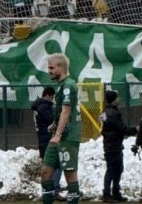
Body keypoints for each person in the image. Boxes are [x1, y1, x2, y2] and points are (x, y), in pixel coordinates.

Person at [41, 54, 82, 204]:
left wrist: (58, 134)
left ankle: (73, 198)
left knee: (70, 174)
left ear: (61, 67)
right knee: (45, 172)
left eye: (51, 68)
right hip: (59, 135)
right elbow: (61, 111)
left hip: (68, 136)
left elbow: (66, 111)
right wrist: (54, 123)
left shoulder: (68, 85)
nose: (49, 71)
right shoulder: (61, 85)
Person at [100, 90, 137, 202]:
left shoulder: (104, 112)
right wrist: (135, 130)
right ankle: (108, 194)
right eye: (117, 97)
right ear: (114, 100)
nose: (119, 99)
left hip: (110, 144)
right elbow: (122, 128)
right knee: (113, 169)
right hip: (113, 145)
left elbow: (104, 127)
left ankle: (114, 192)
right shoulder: (113, 114)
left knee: (116, 169)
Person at [32, 86, 64, 200]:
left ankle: (48, 191)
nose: (53, 100)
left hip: (42, 139)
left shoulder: (38, 107)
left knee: (47, 167)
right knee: (57, 166)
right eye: (52, 97)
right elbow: (53, 121)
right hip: (48, 140)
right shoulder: (44, 108)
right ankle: (53, 191)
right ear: (47, 95)